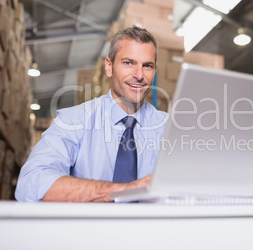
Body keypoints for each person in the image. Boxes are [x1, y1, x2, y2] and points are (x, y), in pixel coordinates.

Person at [15, 26, 169, 202]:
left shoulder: (169, 128)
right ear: (109, 67)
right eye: (128, 63)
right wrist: (122, 190)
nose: (139, 75)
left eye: (147, 66)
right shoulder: (73, 121)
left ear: (155, 71)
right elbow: (30, 183)